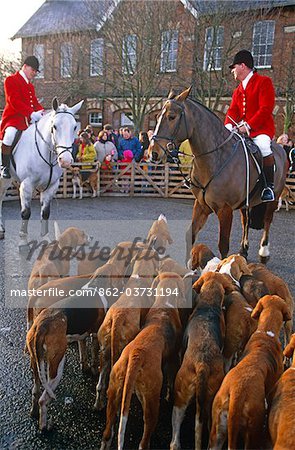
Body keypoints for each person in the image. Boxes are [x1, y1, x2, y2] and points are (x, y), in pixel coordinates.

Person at [225, 50, 276, 202]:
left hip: (261, 129)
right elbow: (233, 111)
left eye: (234, 67)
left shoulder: (263, 82)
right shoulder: (238, 90)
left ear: (243, 65)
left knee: (263, 146)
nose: (233, 71)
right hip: (242, 129)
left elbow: (265, 109)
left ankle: (268, 186)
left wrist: (248, 126)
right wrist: (228, 126)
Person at [0, 55, 44, 179]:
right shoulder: (10, 80)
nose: (34, 73)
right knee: (9, 136)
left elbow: (34, 102)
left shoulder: (30, 86)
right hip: (13, 119)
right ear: (25, 66)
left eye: (36, 71)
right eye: (33, 70)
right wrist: (30, 113)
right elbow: (14, 101)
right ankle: (4, 166)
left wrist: (42, 112)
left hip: (26, 121)